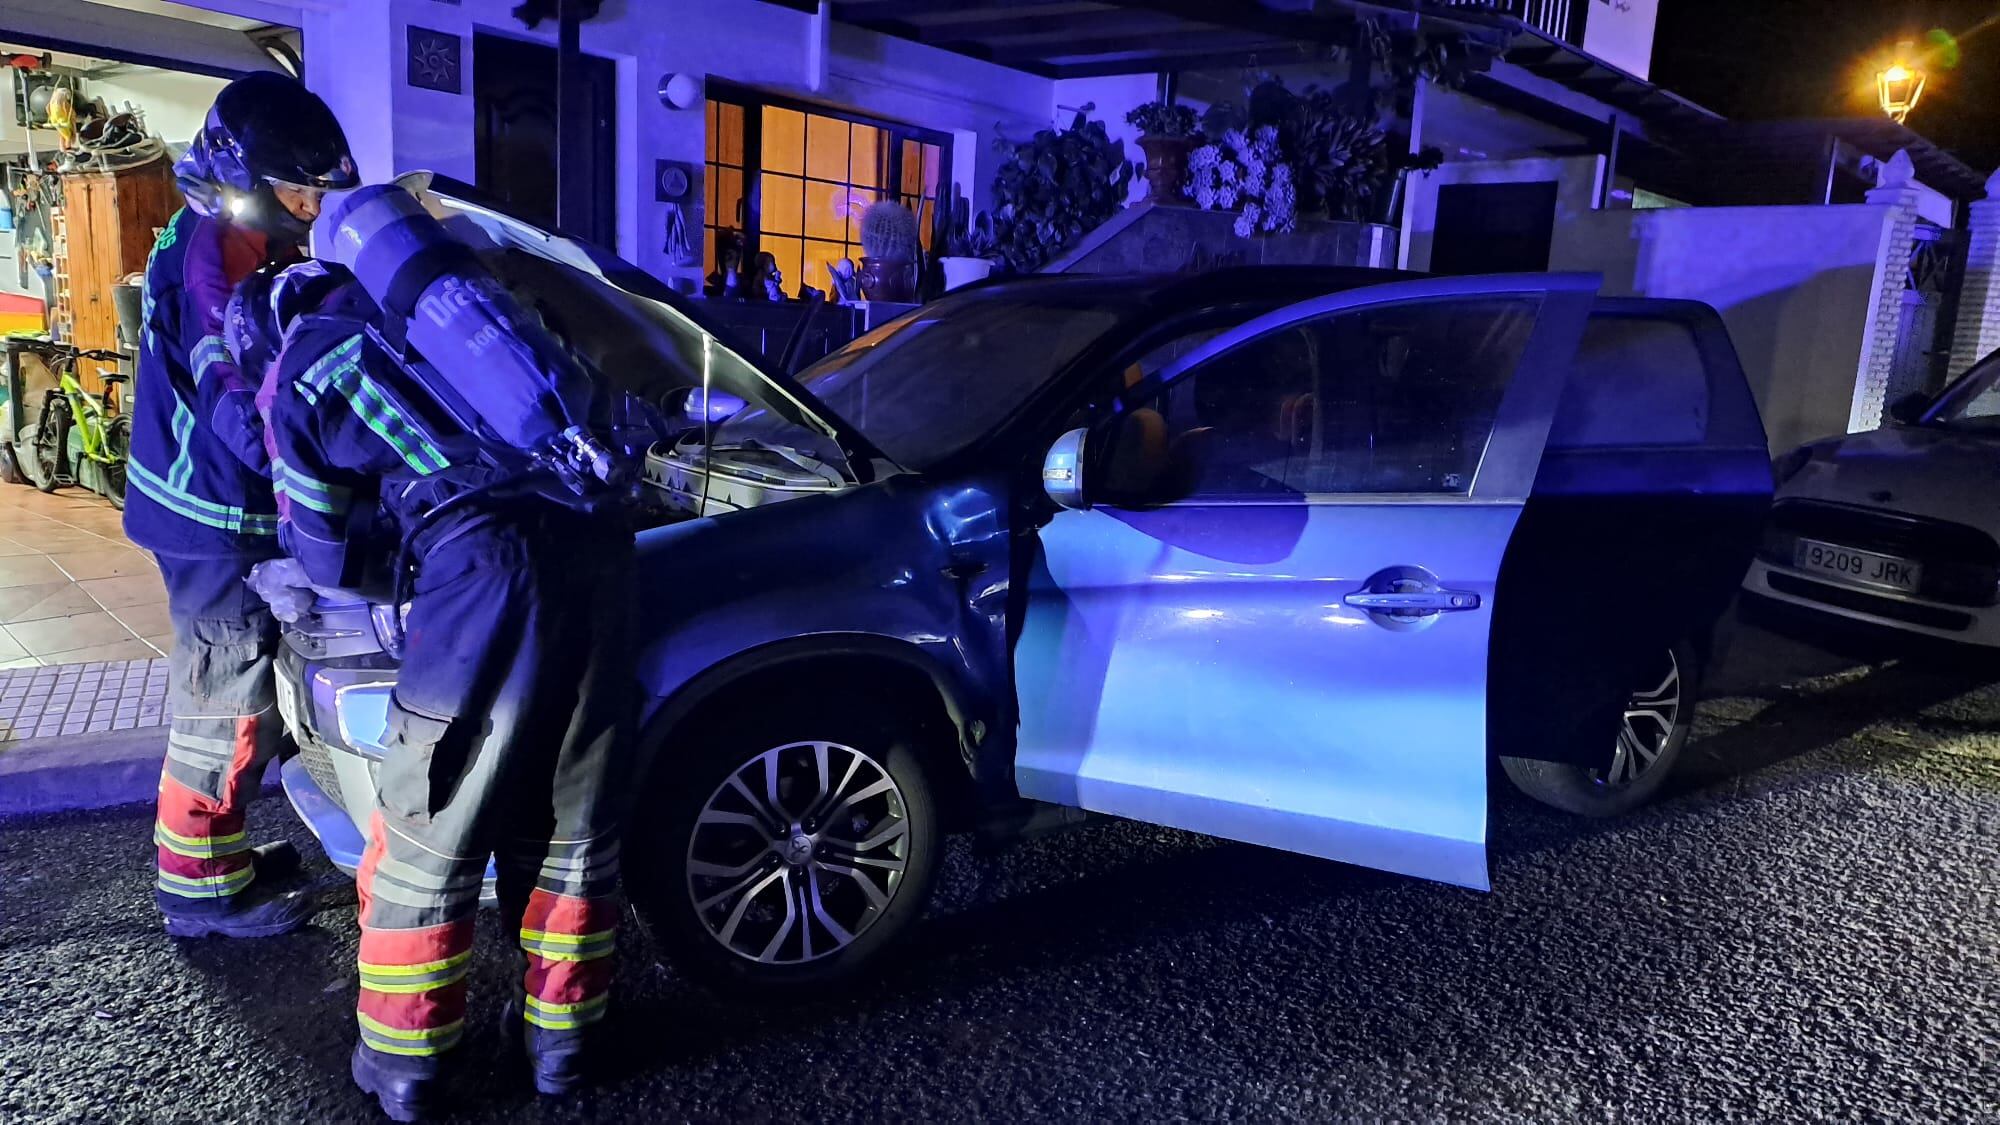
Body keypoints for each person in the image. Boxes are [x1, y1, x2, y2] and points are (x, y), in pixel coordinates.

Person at [228, 255, 636, 1120]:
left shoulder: (306, 362)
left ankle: (406, 1064)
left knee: (427, 827)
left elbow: (327, 554)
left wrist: (404, 542)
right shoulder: (471, 324)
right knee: (571, 816)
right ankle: (563, 1043)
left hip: (484, 574)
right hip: (603, 555)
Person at [126, 71, 357, 939]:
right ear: (245, 178)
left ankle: (215, 854)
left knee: (229, 689)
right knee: (225, 702)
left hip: (201, 510)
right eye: (297, 189)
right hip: (212, 519)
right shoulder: (211, 256)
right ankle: (201, 891)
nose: (309, 205)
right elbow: (232, 390)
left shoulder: (221, 233)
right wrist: (304, 460)